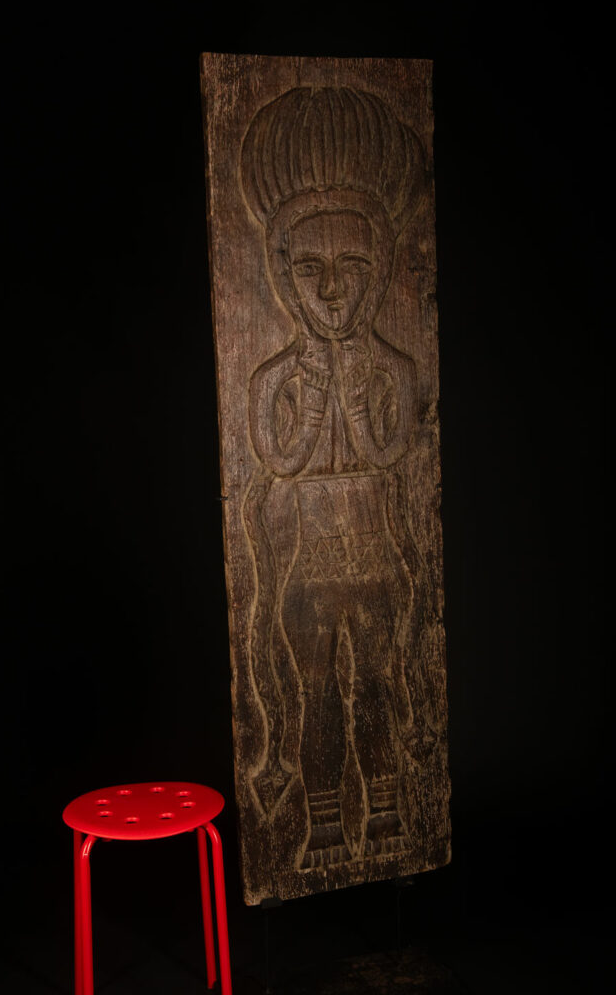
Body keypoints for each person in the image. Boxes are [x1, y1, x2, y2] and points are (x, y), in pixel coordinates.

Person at [241, 86, 434, 867]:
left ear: (380, 268)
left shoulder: (392, 363)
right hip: (305, 555)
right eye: (312, 269)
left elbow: (395, 451)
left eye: (352, 267)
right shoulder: (275, 375)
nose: (331, 290)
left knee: (383, 684)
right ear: (285, 276)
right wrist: (316, 400)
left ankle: (388, 819)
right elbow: (275, 459)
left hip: (376, 550)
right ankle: (321, 827)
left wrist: (355, 393)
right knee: (314, 694)